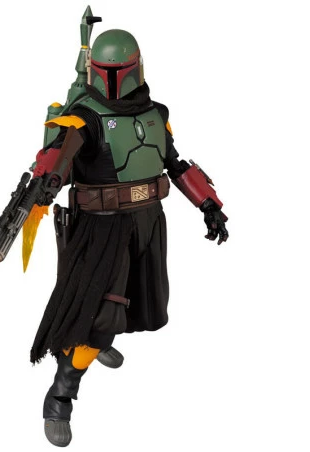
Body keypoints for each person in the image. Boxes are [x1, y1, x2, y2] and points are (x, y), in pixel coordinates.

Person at [28, 28, 229, 447]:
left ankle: (101, 336)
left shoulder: (155, 113)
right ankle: (60, 395)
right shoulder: (83, 117)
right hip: (102, 228)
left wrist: (208, 204)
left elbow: (174, 162)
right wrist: (46, 183)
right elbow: (58, 158)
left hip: (147, 221)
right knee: (99, 311)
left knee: (139, 299)